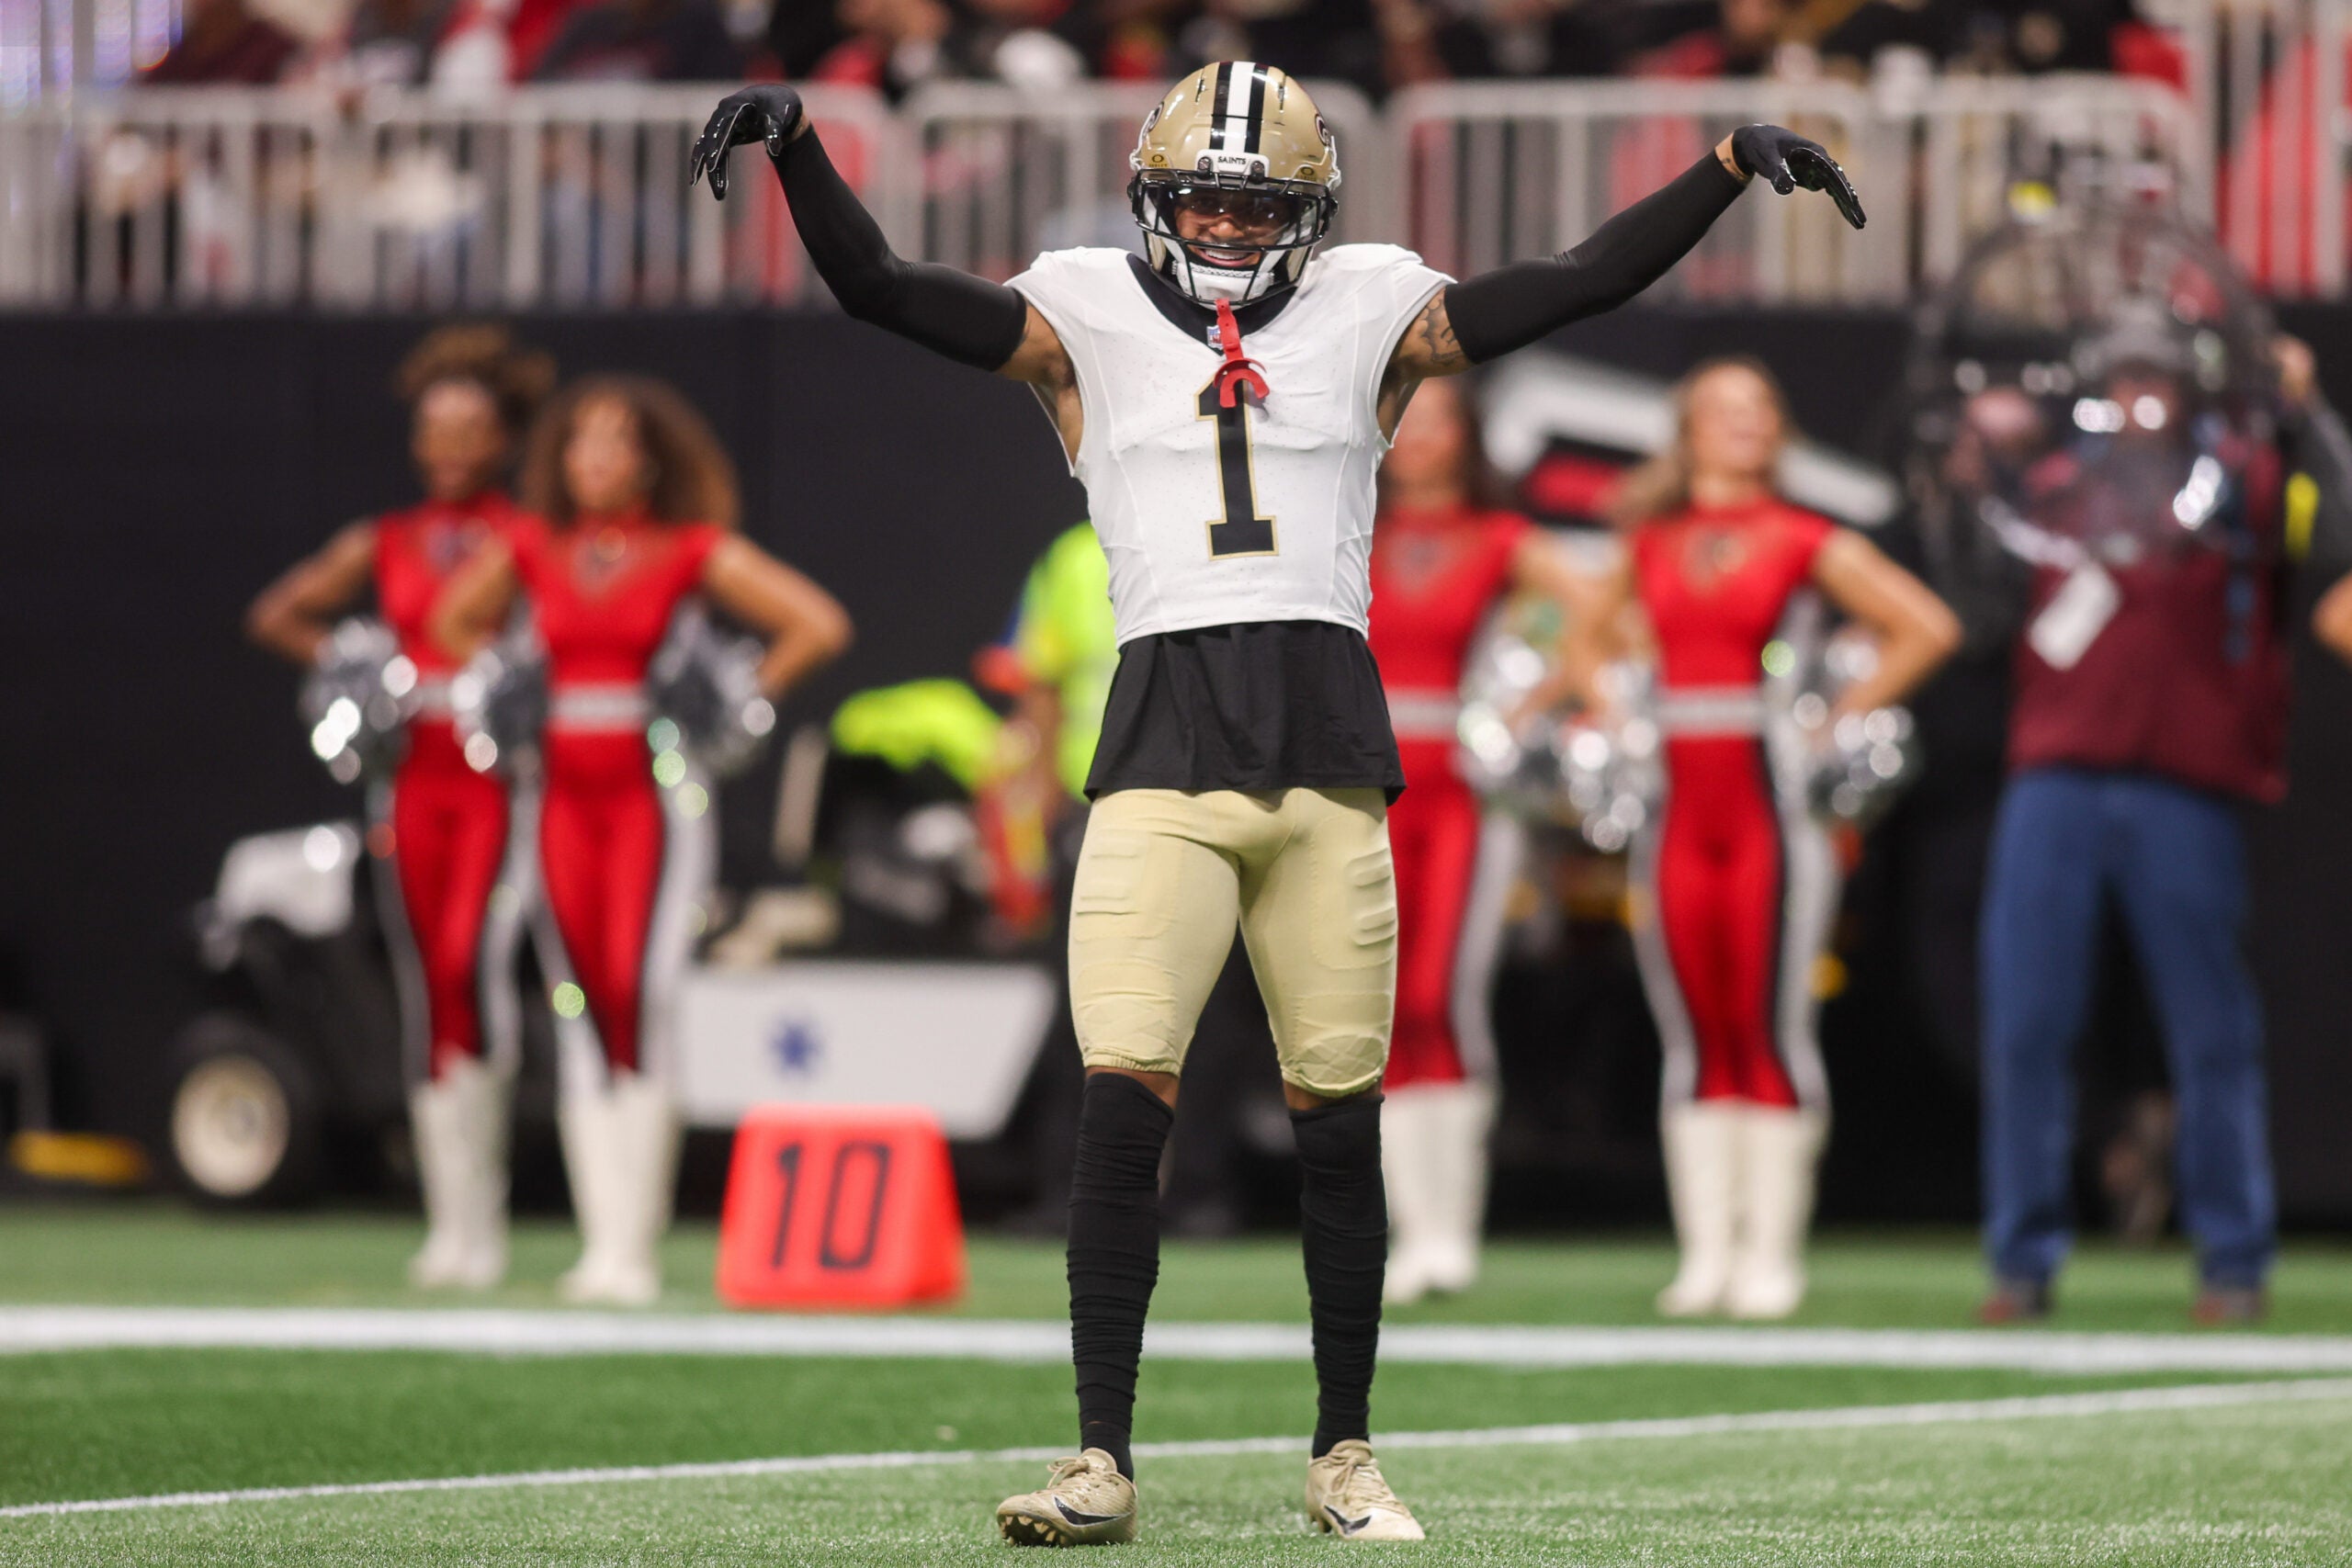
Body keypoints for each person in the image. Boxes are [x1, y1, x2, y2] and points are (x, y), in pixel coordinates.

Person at [690, 63, 1862, 1544]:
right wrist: (800, 149)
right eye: (1206, 198)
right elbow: (881, 288)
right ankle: (1098, 1454)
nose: (1231, 226)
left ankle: (1346, 1452)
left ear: (1311, 212)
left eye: (1258, 202)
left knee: (1336, 1118)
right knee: (1123, 1101)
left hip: (1324, 757)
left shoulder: (1373, 303)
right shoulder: (1085, 315)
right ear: (1154, 196)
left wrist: (1716, 164)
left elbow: (1564, 283)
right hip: (1160, 756)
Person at [432, 377, 851, 1305]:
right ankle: (599, 1244)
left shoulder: (689, 550)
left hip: (651, 792)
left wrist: (736, 696)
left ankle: (634, 1244)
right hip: (557, 794)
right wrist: (507, 678)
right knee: (575, 996)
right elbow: (452, 621)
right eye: (580, 441)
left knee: (638, 989)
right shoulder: (533, 547)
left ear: (652, 459)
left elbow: (815, 624)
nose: (595, 458)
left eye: (616, 442)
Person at [1569, 357, 1959, 1320]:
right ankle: (1706, 1255)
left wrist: (1832, 721)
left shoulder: (1803, 536)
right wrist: (1616, 712)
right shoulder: (1648, 541)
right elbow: (1580, 638)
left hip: (1769, 806)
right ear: (1688, 431)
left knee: (1769, 1025)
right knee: (1692, 1028)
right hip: (1674, 808)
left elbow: (1926, 627)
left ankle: (1770, 1254)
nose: (1744, 424)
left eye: (1760, 410)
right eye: (1723, 410)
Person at [1974, 325, 2315, 1326]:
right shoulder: (2048, 490)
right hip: (2055, 781)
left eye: (2157, 377)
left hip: (2183, 787)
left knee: (2209, 1031)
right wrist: (1976, 455)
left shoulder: (2244, 484)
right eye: (2124, 377)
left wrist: (2303, 411)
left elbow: (2330, 520)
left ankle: (2232, 1259)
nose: (2141, 397)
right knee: (2027, 1025)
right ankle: (2021, 1260)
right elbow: (1969, 579)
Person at [246, 324, 555, 1291]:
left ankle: (488, 1214)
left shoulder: (524, 535)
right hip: (409, 771)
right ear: (417, 442)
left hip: (493, 774)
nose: (451, 445)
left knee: (474, 963)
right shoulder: (387, 540)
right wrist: (360, 668)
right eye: (435, 428)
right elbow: (278, 613)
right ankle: (449, 1221)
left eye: (470, 427)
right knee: (429, 978)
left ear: (501, 437)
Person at [1366, 376, 1590, 1305]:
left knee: (1438, 997)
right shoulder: (1344, 527)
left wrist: (1523, 709)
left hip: (1458, 789)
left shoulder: (1502, 539)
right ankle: (1401, 1232)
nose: (1419, 438)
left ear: (1468, 437)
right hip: (1357, 785)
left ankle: (1448, 1230)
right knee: (1370, 1008)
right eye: (1404, 418)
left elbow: (1603, 615)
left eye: (1438, 419)